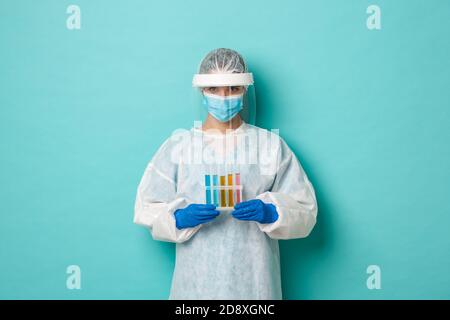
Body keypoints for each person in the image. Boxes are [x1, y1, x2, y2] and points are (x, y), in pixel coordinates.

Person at [134, 48, 318, 299]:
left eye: (233, 88)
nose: (224, 96)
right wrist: (177, 218)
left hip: (255, 284)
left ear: (245, 91)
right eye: (214, 89)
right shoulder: (179, 147)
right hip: (196, 285)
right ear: (202, 91)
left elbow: (305, 210)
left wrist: (272, 212)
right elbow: (147, 207)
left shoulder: (269, 146)